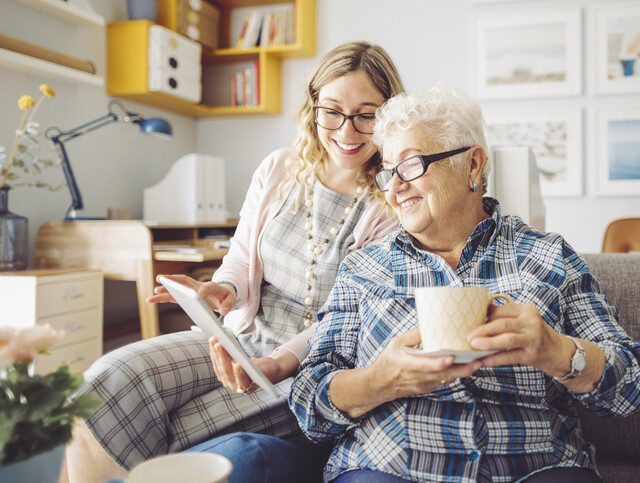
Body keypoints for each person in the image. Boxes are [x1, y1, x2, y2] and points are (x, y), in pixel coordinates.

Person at [64, 41, 405, 483]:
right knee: (105, 383)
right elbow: (242, 257)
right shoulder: (280, 169)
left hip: (309, 366)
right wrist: (221, 290)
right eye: (333, 111)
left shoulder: (391, 203)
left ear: (390, 116)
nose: (346, 130)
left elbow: (350, 315)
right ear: (313, 107)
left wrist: (279, 361)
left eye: (366, 114)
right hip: (244, 336)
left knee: (178, 430)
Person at [288, 86, 640, 482]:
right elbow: (307, 405)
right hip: (390, 467)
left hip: (533, 466)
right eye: (388, 171)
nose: (394, 188)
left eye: (412, 165)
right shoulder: (364, 268)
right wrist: (380, 380)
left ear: (472, 165)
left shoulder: (549, 257)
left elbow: (630, 387)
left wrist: (557, 351)